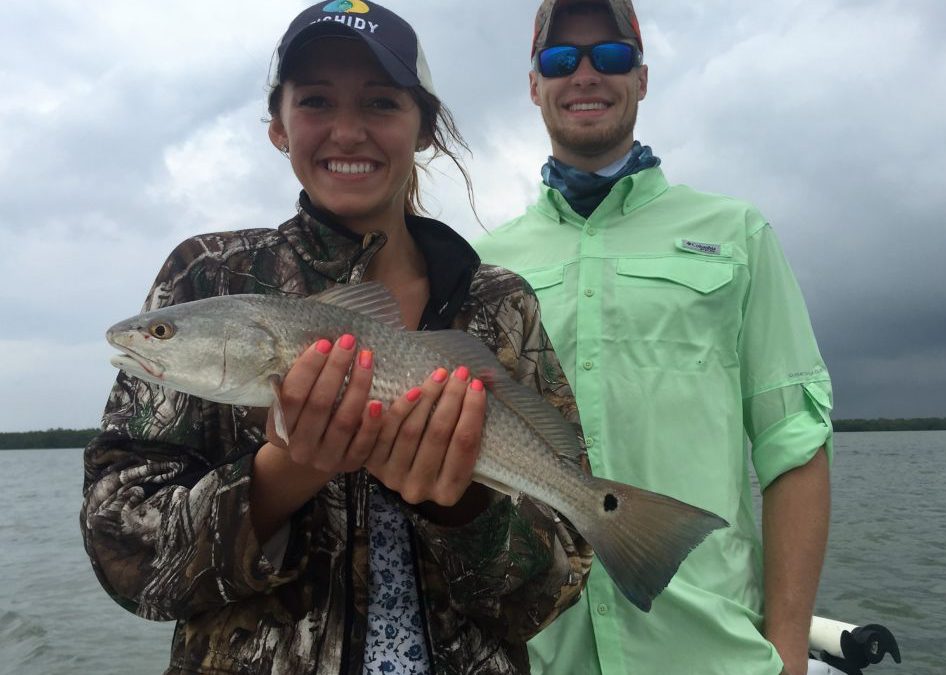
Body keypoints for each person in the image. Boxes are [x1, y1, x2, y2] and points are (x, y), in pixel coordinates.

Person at [80, 3, 591, 673]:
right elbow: (123, 552)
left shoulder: (501, 304)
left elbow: (553, 588)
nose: (347, 132)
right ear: (277, 126)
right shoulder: (206, 279)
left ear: (425, 128)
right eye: (316, 100)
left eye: (381, 103)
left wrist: (464, 502)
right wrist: (279, 478)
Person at [474, 1, 833, 674]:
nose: (585, 75)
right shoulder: (482, 261)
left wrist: (788, 652)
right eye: (560, 60)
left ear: (641, 77)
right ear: (533, 86)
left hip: (711, 652)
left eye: (610, 57)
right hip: (541, 654)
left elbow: (795, 447)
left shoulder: (738, 233)